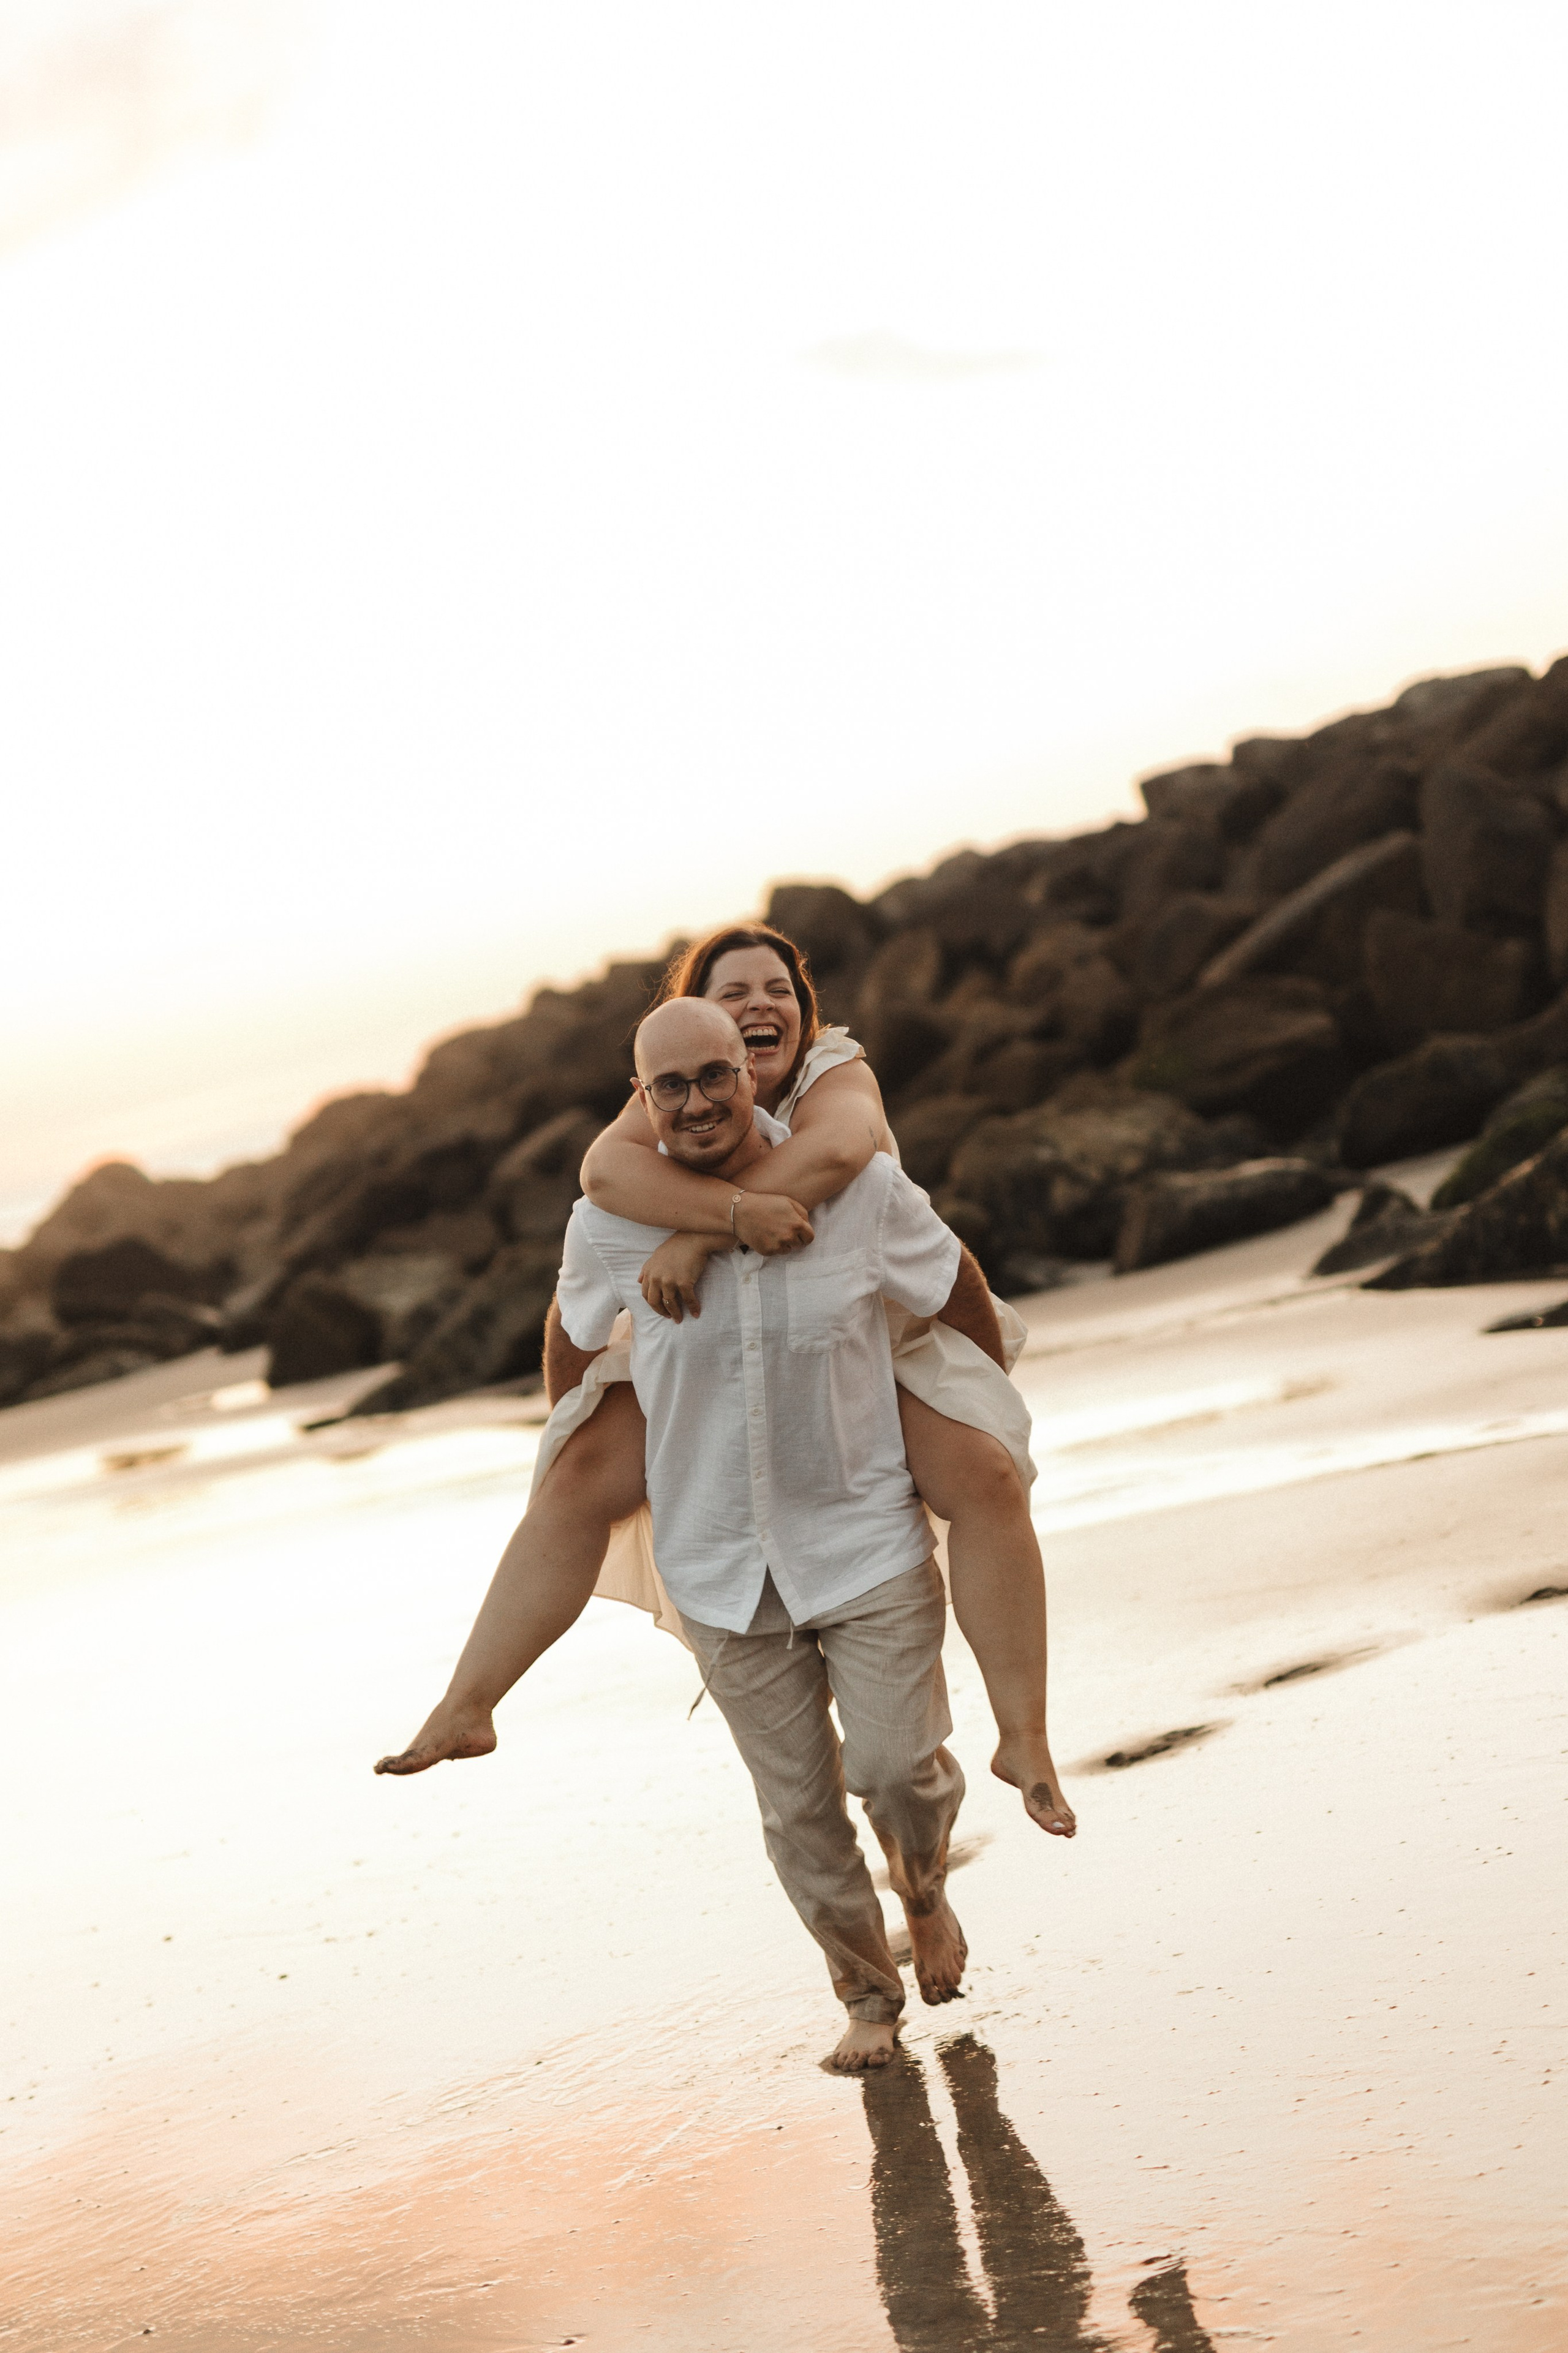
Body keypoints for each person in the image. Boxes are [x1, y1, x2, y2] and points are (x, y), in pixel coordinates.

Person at [383, 999, 1001, 2072]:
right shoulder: (606, 1225)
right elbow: (575, 1337)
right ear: (641, 1098)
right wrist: (575, 1445)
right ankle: (867, 1993)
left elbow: (957, 1288)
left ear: (754, 1073)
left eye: (716, 1074)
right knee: (800, 1812)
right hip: (718, 1561)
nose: (698, 1101)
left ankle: (926, 1886)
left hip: (865, 1538)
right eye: (669, 1086)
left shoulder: (858, 1189)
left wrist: (981, 1435)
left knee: (901, 1769)